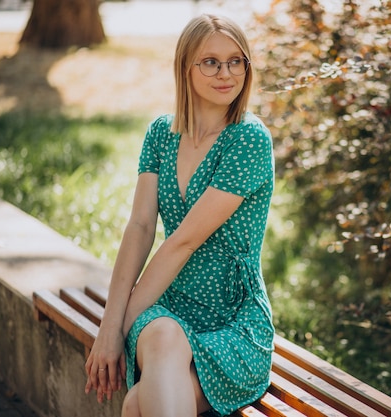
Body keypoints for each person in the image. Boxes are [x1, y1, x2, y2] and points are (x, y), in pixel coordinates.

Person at [83, 14, 275, 417]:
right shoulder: (160, 134)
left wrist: (117, 332)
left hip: (232, 319)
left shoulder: (248, 139)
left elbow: (184, 240)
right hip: (167, 304)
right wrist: (110, 328)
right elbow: (139, 227)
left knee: (138, 403)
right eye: (210, 62)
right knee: (164, 339)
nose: (226, 73)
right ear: (184, 68)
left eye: (236, 61)